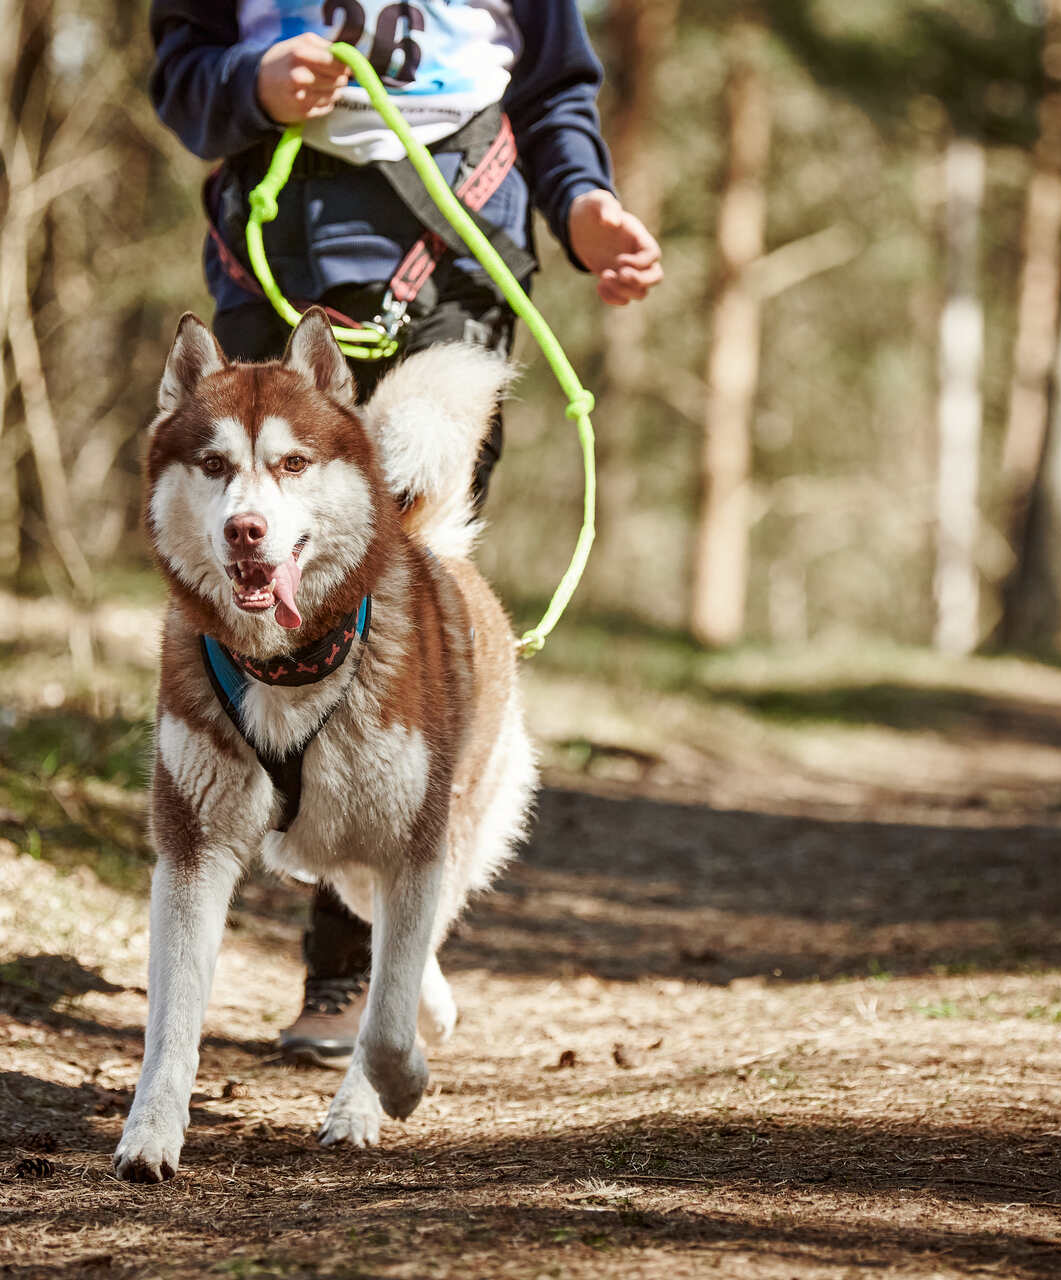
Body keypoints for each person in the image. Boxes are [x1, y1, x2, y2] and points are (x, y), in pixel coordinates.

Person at [148, 2, 662, 1065]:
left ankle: (359, 964)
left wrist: (586, 205)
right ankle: (291, 875)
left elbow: (554, 90)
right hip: (276, 269)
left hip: (459, 267)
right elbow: (180, 74)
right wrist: (252, 83)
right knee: (273, 619)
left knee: (410, 598)